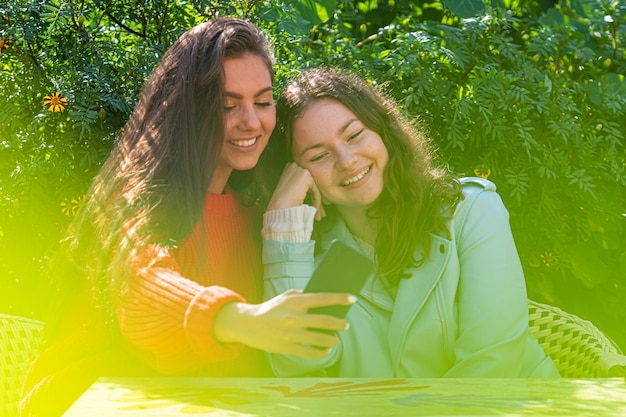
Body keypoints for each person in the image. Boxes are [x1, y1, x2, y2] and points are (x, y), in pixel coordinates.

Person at [20, 19, 354, 417]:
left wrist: (284, 207)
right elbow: (141, 287)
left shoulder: (252, 208)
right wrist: (240, 319)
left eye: (263, 102)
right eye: (228, 106)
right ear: (189, 109)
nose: (251, 121)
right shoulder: (137, 198)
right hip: (87, 398)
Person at [262, 68, 560, 378]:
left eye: (354, 135)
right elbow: (296, 366)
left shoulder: (472, 212)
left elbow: (490, 367)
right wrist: (282, 225)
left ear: (382, 130)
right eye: (319, 156)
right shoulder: (314, 258)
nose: (347, 160)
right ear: (299, 173)